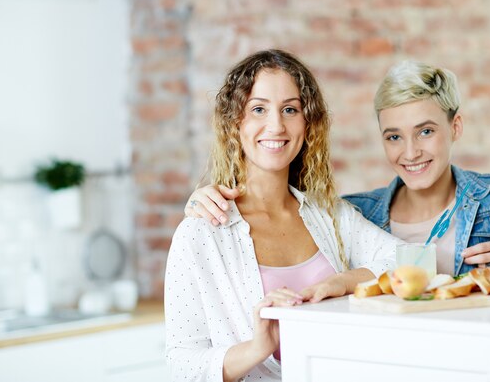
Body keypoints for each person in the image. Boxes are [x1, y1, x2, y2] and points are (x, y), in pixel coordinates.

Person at [184, 60, 490, 276]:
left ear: (455, 128)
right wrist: (205, 198)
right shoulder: (355, 215)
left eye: (425, 131)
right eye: (393, 136)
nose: (410, 152)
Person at [165, 49, 399, 382]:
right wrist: (256, 347)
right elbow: (181, 365)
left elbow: (411, 262)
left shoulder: (330, 215)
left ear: (307, 124)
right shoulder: (202, 233)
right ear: (235, 123)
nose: (276, 125)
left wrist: (341, 283)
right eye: (258, 109)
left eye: (290, 109)